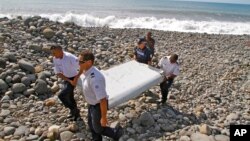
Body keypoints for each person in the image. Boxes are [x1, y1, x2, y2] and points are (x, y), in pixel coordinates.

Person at [78, 50, 123, 141]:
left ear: (89, 62)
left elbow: (102, 99)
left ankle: (116, 133)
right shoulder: (87, 71)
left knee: (98, 128)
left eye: (80, 62)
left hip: (98, 106)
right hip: (91, 104)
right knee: (91, 124)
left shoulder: (95, 79)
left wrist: (104, 117)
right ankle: (96, 139)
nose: (78, 64)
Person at [50, 45, 80, 121]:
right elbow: (58, 73)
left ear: (60, 51)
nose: (53, 55)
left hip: (75, 77)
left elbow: (81, 66)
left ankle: (74, 110)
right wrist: (69, 80)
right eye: (52, 53)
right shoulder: (55, 59)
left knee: (61, 95)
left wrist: (75, 79)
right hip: (67, 79)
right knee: (70, 96)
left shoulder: (70, 57)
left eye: (54, 53)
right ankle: (75, 112)